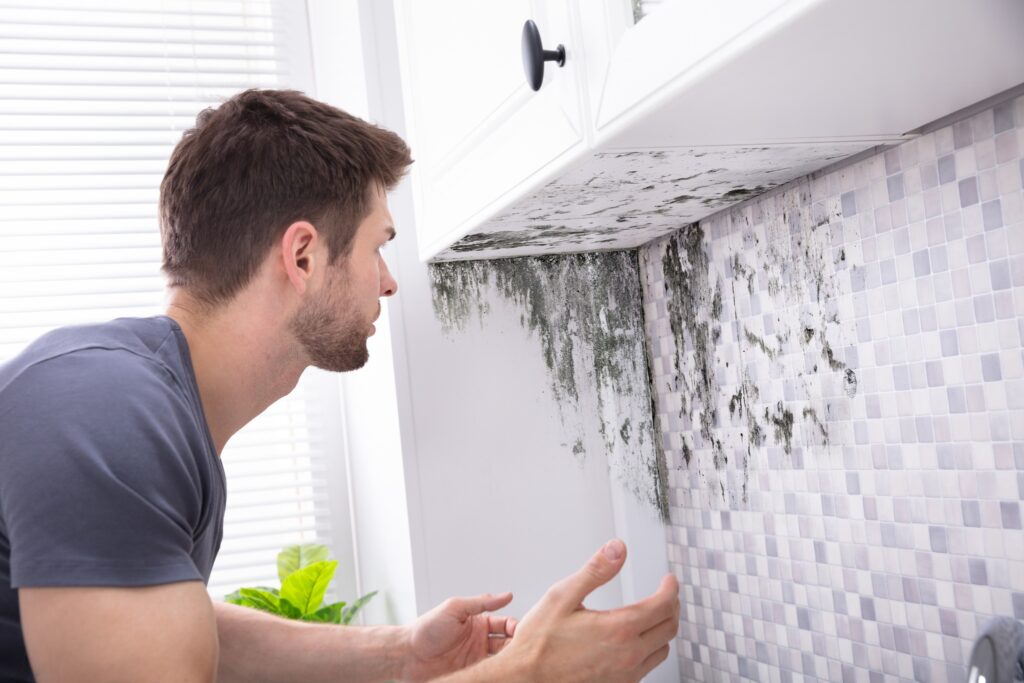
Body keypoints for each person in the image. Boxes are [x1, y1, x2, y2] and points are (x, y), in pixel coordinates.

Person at [0, 89, 680, 682]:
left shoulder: (135, 405)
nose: (387, 279)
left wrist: (399, 655)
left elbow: (171, 628)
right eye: (376, 246)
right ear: (302, 256)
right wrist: (526, 674)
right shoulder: (103, 409)